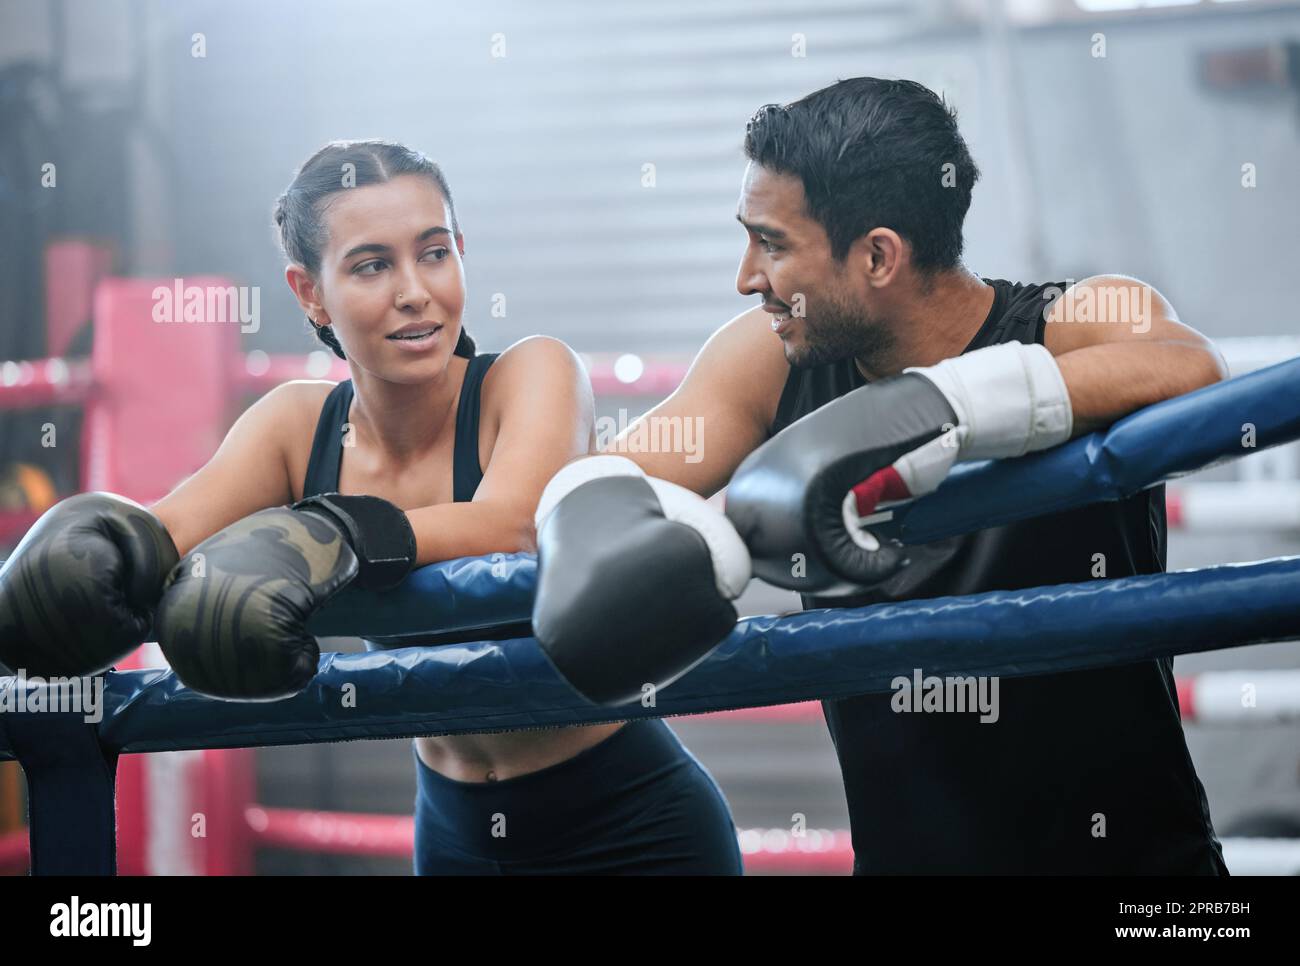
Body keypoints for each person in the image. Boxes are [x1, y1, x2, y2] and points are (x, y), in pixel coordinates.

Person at [533, 79, 1230, 874]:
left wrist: (935, 410)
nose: (745, 277)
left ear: (876, 256)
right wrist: (649, 537)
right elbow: (604, 480)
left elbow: (1194, 369)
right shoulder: (769, 363)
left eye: (772, 244)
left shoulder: (1071, 321)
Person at [2, 140, 742, 875]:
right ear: (309, 292)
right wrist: (96, 557)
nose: (414, 290)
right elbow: (166, 531)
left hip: (635, 826)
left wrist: (333, 532)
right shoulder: (297, 427)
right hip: (456, 839)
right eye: (371, 265)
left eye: (434, 253)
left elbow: (517, 523)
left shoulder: (527, 376)